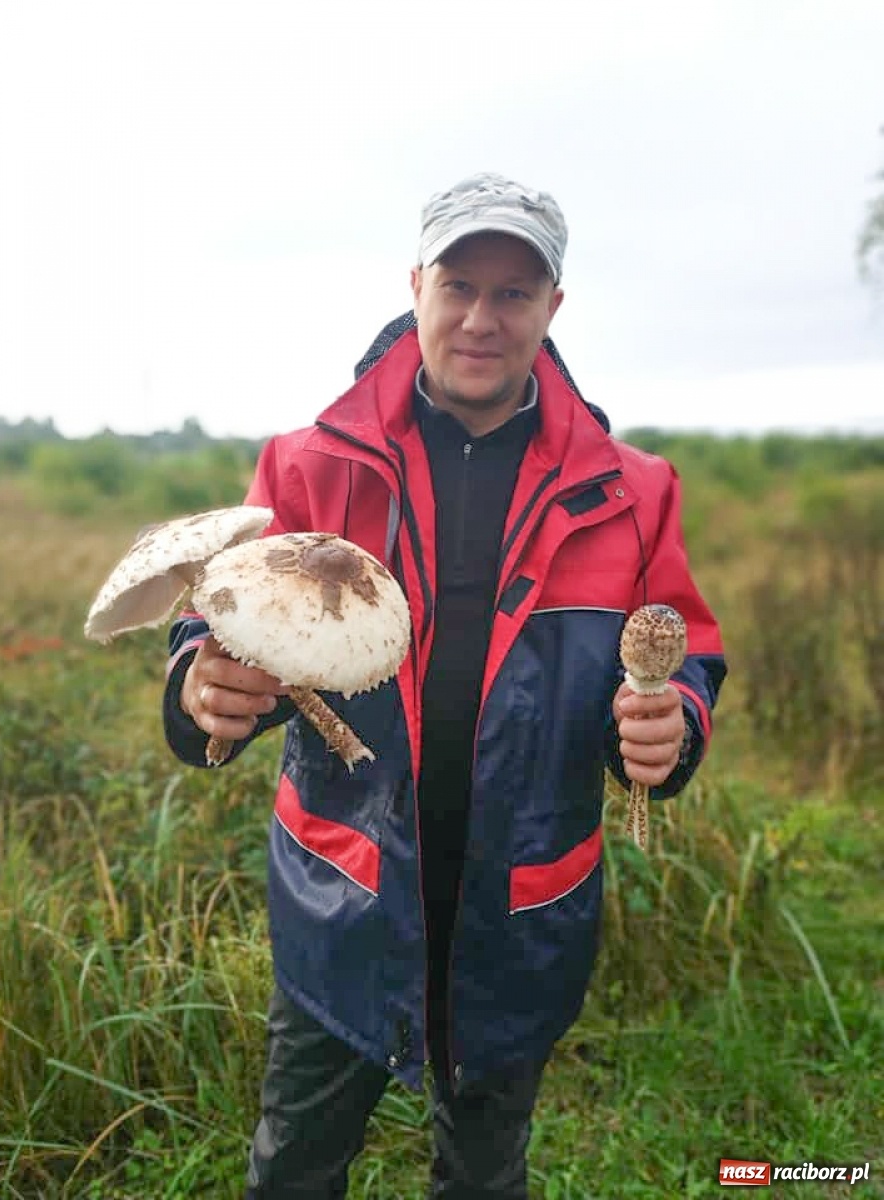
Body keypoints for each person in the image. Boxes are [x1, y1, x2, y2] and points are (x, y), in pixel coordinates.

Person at [163, 172, 727, 1199]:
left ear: (553, 309)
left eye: (514, 294)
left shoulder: (632, 490)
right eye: (459, 284)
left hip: (519, 907)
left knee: (484, 1172)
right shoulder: (306, 464)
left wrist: (670, 723)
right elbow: (220, 618)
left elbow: (683, 646)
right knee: (295, 1163)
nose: (481, 317)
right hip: (345, 893)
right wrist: (198, 686)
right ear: (416, 284)